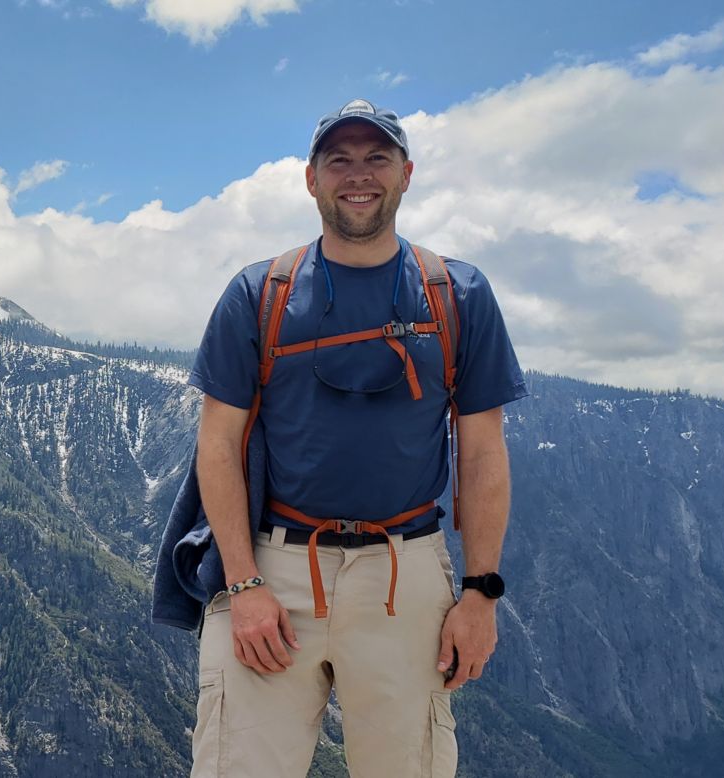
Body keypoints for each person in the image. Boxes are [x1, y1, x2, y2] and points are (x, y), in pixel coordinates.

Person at [152, 99, 528, 777]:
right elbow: (218, 445)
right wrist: (244, 587)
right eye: (340, 161)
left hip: (405, 573)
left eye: (376, 158)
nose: (359, 175)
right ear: (311, 179)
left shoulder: (459, 295)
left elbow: (481, 453)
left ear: (406, 173)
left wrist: (480, 593)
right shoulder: (258, 293)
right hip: (272, 568)